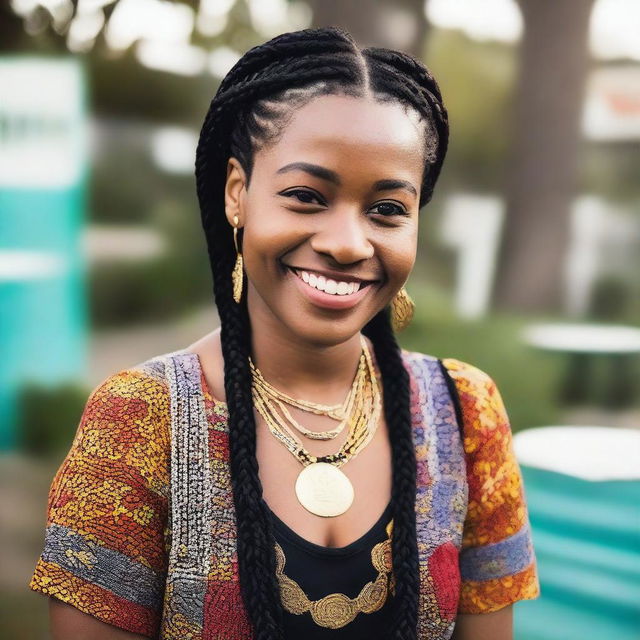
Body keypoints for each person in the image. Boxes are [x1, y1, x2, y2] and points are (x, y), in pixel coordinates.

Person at [29, 26, 539, 640]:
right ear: (237, 194)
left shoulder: (466, 414)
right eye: (305, 196)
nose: (348, 243)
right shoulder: (139, 422)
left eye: (387, 210)